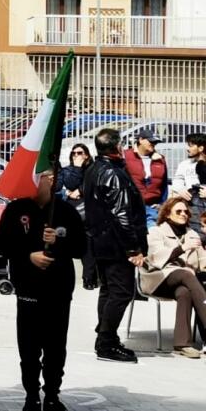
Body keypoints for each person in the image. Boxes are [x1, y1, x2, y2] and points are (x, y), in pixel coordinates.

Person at [0, 169, 86, 411]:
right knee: (29, 346)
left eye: (40, 176)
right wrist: (28, 256)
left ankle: (53, 394)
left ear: (50, 180)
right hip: (28, 288)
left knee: (56, 346)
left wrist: (59, 241)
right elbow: (2, 245)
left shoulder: (65, 211)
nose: (33, 181)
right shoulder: (16, 210)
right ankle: (31, 394)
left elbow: (81, 248)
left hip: (58, 290)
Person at [82, 127, 147, 363]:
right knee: (120, 292)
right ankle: (106, 342)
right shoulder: (112, 174)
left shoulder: (94, 169)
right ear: (116, 147)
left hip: (101, 242)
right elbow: (121, 214)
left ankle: (105, 336)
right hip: (116, 244)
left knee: (109, 290)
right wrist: (134, 248)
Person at [139, 197, 206, 358]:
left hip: (184, 281)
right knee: (186, 274)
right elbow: (156, 258)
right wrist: (182, 248)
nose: (183, 214)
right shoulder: (156, 232)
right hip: (157, 279)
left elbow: (202, 261)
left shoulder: (192, 234)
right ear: (168, 214)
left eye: (186, 212)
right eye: (179, 211)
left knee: (185, 292)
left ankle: (182, 343)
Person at [57, 143, 97, 290]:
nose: (76, 155)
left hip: (88, 210)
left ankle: (88, 276)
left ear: (86, 154)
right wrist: (77, 168)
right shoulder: (68, 170)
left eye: (79, 153)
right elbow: (67, 184)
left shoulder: (93, 169)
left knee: (87, 242)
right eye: (74, 153)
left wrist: (80, 190)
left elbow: (94, 185)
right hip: (72, 209)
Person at [123, 128, 168, 227]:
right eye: (150, 141)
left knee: (152, 235)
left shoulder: (160, 159)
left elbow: (164, 185)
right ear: (140, 140)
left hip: (151, 207)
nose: (153, 144)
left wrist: (162, 205)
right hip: (131, 207)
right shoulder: (126, 156)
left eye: (155, 142)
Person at [170, 132, 206, 233]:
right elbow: (177, 180)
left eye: (190, 146)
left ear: (201, 148)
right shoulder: (184, 164)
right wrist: (180, 189)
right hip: (191, 208)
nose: (187, 149)